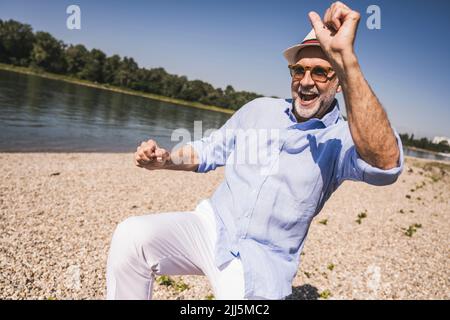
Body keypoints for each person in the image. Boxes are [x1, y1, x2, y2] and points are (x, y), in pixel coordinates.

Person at [106, 1, 404, 300]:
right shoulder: (259, 109)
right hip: (211, 227)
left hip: (262, 262)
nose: (306, 81)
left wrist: (347, 61)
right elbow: (209, 150)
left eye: (321, 72)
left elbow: (386, 165)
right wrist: (166, 160)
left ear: (339, 82)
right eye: (299, 70)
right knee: (132, 236)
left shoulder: (341, 138)